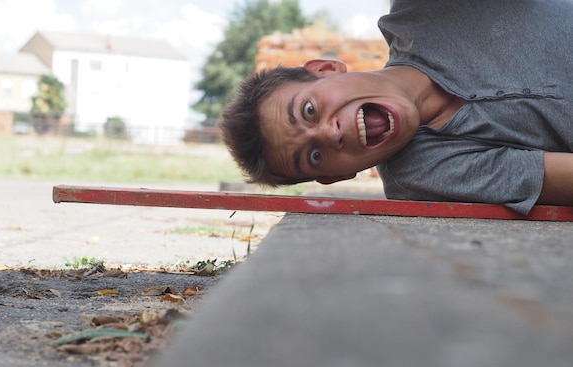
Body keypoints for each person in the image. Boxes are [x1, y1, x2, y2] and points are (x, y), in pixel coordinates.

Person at [219, 0, 573, 215]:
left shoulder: (419, 14)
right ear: (336, 176)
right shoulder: (425, 175)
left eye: (309, 110)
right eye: (313, 156)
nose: (329, 133)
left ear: (325, 69)